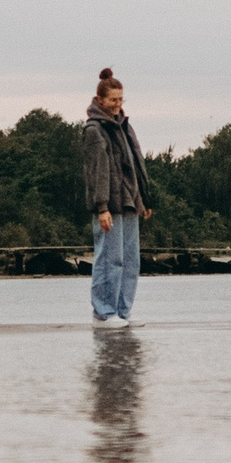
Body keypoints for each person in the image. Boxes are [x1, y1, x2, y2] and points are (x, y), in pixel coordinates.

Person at [81, 67, 152, 328]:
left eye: (121, 99)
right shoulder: (94, 130)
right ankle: (103, 313)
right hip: (109, 204)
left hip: (130, 202)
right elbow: (97, 171)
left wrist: (144, 199)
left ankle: (122, 313)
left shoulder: (124, 126)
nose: (118, 104)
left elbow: (135, 163)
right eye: (113, 100)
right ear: (99, 100)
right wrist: (102, 207)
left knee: (130, 262)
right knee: (109, 259)